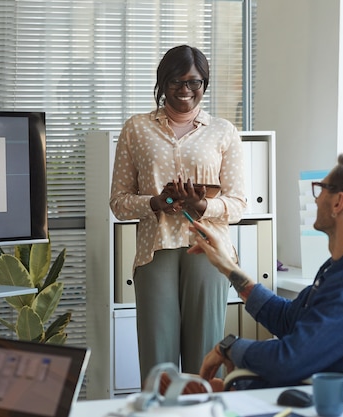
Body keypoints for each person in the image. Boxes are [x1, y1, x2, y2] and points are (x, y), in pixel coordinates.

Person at [186, 153, 343, 390]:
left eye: (320, 189)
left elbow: (288, 359)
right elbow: (288, 319)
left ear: (338, 203)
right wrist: (227, 265)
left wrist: (230, 347)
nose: (316, 200)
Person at [109, 44, 247, 380]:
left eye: (194, 82)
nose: (185, 90)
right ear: (162, 83)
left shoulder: (223, 131)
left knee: (205, 356)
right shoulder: (136, 128)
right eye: (175, 82)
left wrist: (202, 206)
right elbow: (118, 201)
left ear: (204, 84)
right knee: (159, 362)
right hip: (155, 249)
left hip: (209, 247)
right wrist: (155, 203)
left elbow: (239, 204)